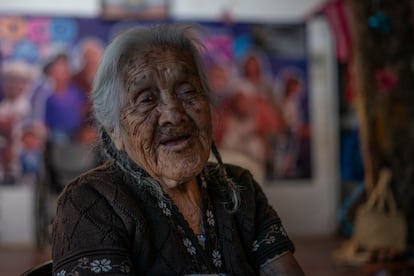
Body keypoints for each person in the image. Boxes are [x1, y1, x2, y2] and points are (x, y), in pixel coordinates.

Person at [52, 24, 305, 275]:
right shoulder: (92, 202)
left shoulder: (239, 187)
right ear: (113, 130)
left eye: (187, 92)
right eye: (147, 99)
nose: (173, 114)